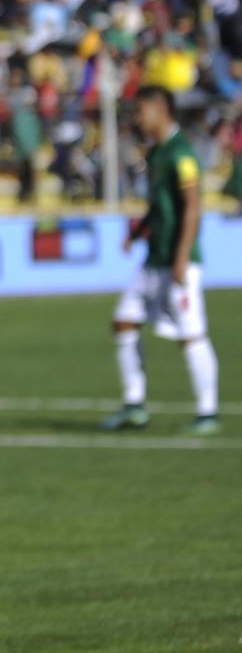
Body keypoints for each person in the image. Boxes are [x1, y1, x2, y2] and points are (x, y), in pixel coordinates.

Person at [100, 86, 221, 434]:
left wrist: (183, 256)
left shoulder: (182, 154)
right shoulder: (156, 154)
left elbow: (193, 206)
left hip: (178, 260)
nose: (137, 119)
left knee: (191, 334)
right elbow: (159, 205)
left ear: (159, 109)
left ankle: (207, 412)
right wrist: (137, 234)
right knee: (124, 321)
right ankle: (135, 405)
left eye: (140, 111)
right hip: (155, 259)